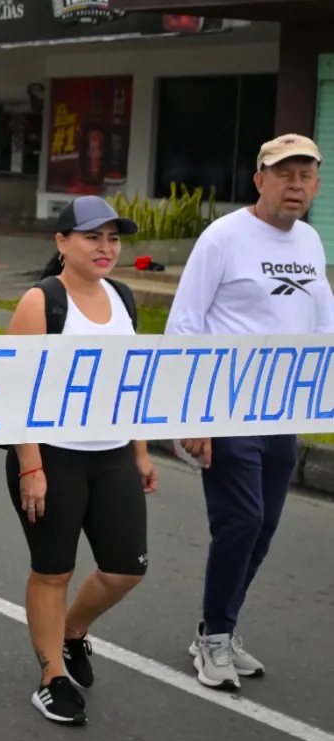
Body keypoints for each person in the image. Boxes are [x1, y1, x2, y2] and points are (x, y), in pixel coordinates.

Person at [169, 134, 333, 691]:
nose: (295, 185)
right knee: (239, 521)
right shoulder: (224, 238)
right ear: (259, 180)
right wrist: (192, 416)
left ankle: (220, 628)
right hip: (226, 407)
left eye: (305, 175)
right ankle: (214, 638)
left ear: (315, 185)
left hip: (281, 411)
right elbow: (185, 324)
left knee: (263, 524)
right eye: (283, 174)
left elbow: (323, 326)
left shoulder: (310, 242)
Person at [5, 196, 157, 725]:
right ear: (63, 242)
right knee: (53, 570)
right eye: (93, 236)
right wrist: (31, 465)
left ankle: (72, 632)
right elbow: (14, 390)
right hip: (52, 457)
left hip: (112, 453)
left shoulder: (124, 297)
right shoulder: (42, 301)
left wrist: (139, 450)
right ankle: (51, 677)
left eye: (113, 238)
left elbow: (129, 380)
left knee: (125, 569)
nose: (106, 247)